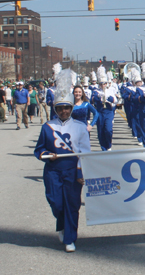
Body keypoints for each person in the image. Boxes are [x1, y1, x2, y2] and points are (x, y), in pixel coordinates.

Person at [34, 68, 90, 252]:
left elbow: (85, 152)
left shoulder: (81, 127)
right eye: (60, 108)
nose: (64, 111)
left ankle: (70, 238)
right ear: (56, 109)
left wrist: (81, 171)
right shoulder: (47, 127)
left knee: (72, 205)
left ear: (71, 108)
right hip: (53, 170)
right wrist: (48, 155)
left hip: (73, 171)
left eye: (67, 107)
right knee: (56, 203)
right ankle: (61, 224)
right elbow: (39, 149)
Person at [92, 66, 117, 151]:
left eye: (104, 83)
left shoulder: (110, 90)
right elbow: (91, 99)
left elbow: (115, 100)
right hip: (100, 112)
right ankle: (103, 148)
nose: (103, 85)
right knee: (100, 131)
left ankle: (109, 145)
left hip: (108, 112)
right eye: (101, 83)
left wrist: (108, 98)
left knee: (108, 130)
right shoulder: (96, 91)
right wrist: (99, 97)